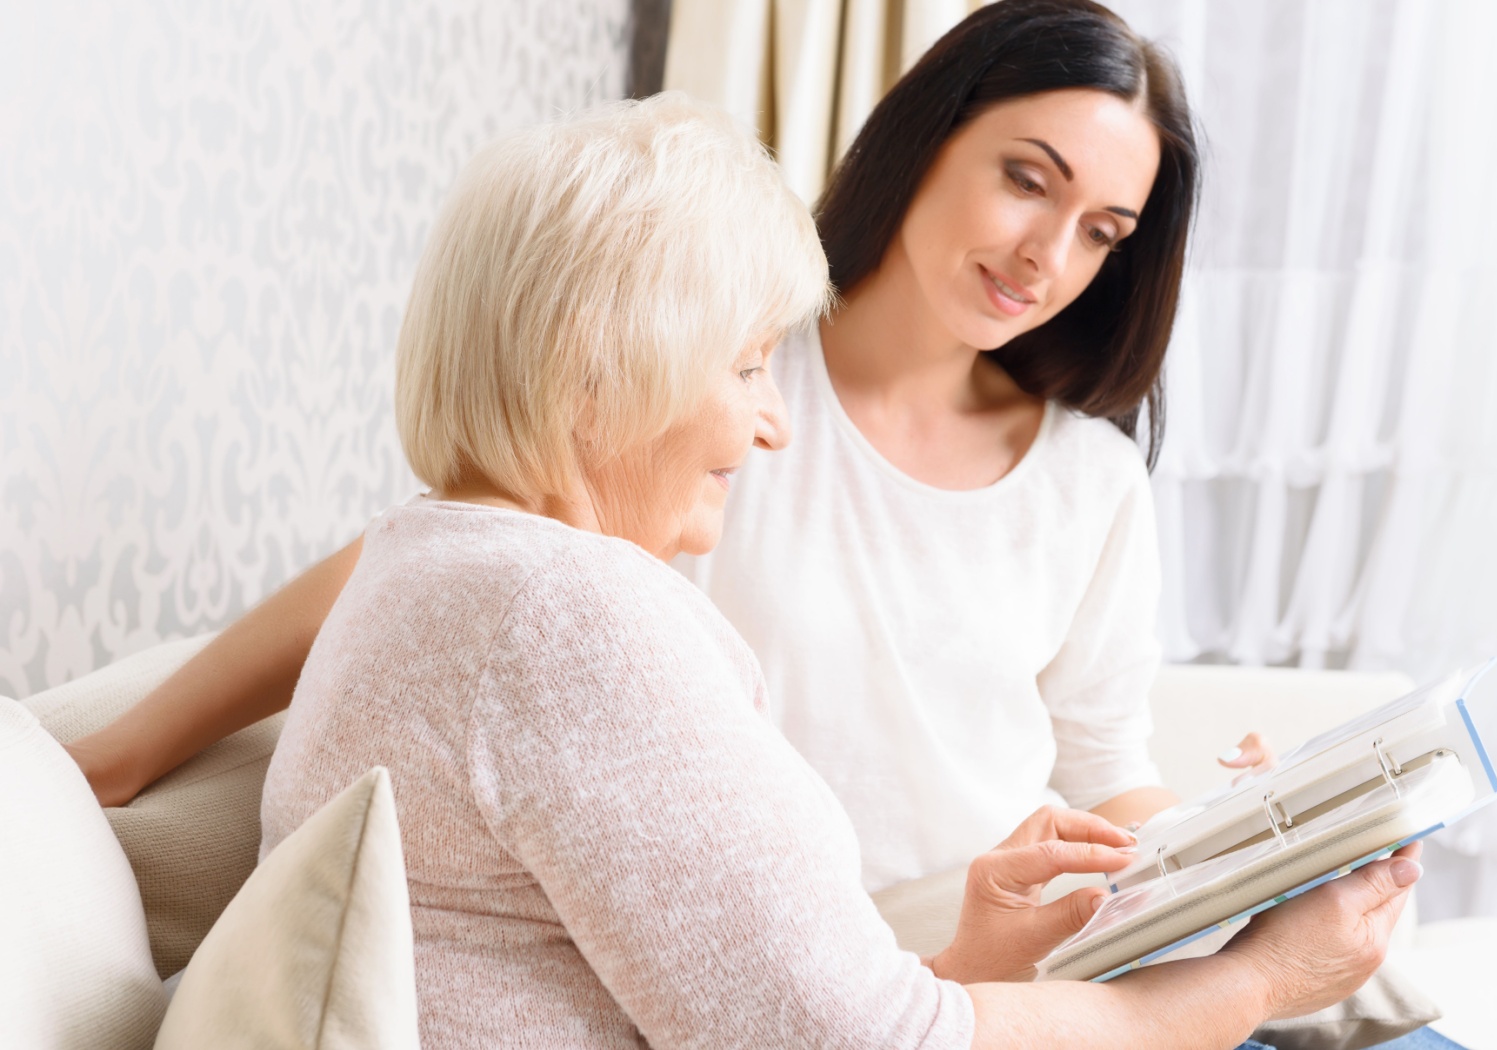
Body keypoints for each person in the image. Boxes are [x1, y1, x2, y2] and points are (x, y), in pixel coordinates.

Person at [257, 91, 1426, 1049]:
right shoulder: (569, 614)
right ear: (596, 372)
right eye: (751, 367)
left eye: (1103, 228)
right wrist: (1266, 981)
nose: (774, 425)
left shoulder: (447, 564)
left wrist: (991, 951)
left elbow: (789, 1013)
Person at [68, 0, 1275, 890]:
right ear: (929, 138)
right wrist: (121, 757)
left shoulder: (1089, 481)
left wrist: (1247, 842)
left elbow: (1106, 758)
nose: (1045, 256)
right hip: (792, 945)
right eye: (1026, 180)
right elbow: (445, 559)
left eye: (1102, 232)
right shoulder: (718, 382)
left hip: (1001, 936)